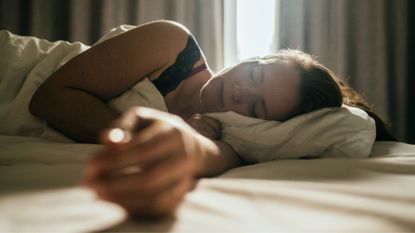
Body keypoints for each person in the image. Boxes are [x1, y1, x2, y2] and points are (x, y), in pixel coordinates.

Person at [28, 20, 396, 217]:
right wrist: (142, 139)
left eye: (255, 108)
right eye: (252, 74)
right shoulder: (173, 47)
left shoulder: (229, 138)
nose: (238, 92)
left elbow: (349, 129)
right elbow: (48, 99)